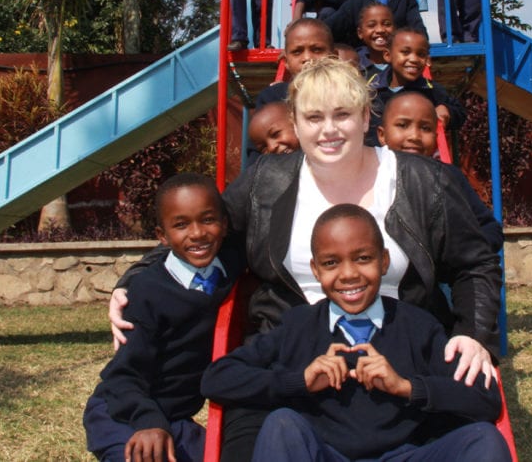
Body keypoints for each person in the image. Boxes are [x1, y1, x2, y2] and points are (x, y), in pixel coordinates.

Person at [111, 57, 500, 461]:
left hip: (401, 350)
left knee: (473, 439)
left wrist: (472, 334)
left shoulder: (423, 180)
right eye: (313, 117)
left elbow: (475, 263)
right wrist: (135, 278)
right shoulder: (266, 180)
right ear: (295, 124)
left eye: (343, 115)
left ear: (367, 117)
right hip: (294, 353)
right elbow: (206, 236)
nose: (328, 130)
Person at [201, 204, 508, 462]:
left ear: (384, 261)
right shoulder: (298, 326)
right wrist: (301, 381)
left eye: (363, 258)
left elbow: (487, 398)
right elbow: (216, 378)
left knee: (483, 439)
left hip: (403, 455)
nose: (349, 274)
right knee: (282, 425)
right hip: (326, 454)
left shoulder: (417, 325)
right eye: (331, 263)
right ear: (316, 270)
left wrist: (406, 387)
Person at [84, 174, 243, 462]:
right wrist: (148, 422)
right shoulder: (148, 291)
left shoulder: (231, 266)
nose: (197, 233)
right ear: (162, 236)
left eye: (208, 220)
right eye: (181, 225)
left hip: (176, 419)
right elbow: (123, 375)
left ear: (225, 224)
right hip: (124, 414)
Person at [376, 92, 502, 249]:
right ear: (382, 135)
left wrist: (460, 253)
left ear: (436, 136)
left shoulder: (448, 177)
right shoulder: (371, 176)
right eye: (403, 125)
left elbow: (490, 228)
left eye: (425, 128)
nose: (414, 136)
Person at [368, 27, 465, 144]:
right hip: (374, 157)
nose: (414, 59)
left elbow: (460, 112)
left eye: (421, 54)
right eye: (405, 52)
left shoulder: (430, 89)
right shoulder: (369, 88)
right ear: (388, 55)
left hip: (413, 156)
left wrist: (446, 110)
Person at [255, 17, 334, 107]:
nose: (307, 58)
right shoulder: (272, 98)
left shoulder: (350, 95)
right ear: (286, 61)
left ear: (334, 57)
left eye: (317, 50)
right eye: (297, 52)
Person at [355, 2, 395, 76]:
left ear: (395, 29)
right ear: (360, 33)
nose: (380, 30)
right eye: (371, 25)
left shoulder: (404, 62)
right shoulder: (354, 64)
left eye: (387, 24)